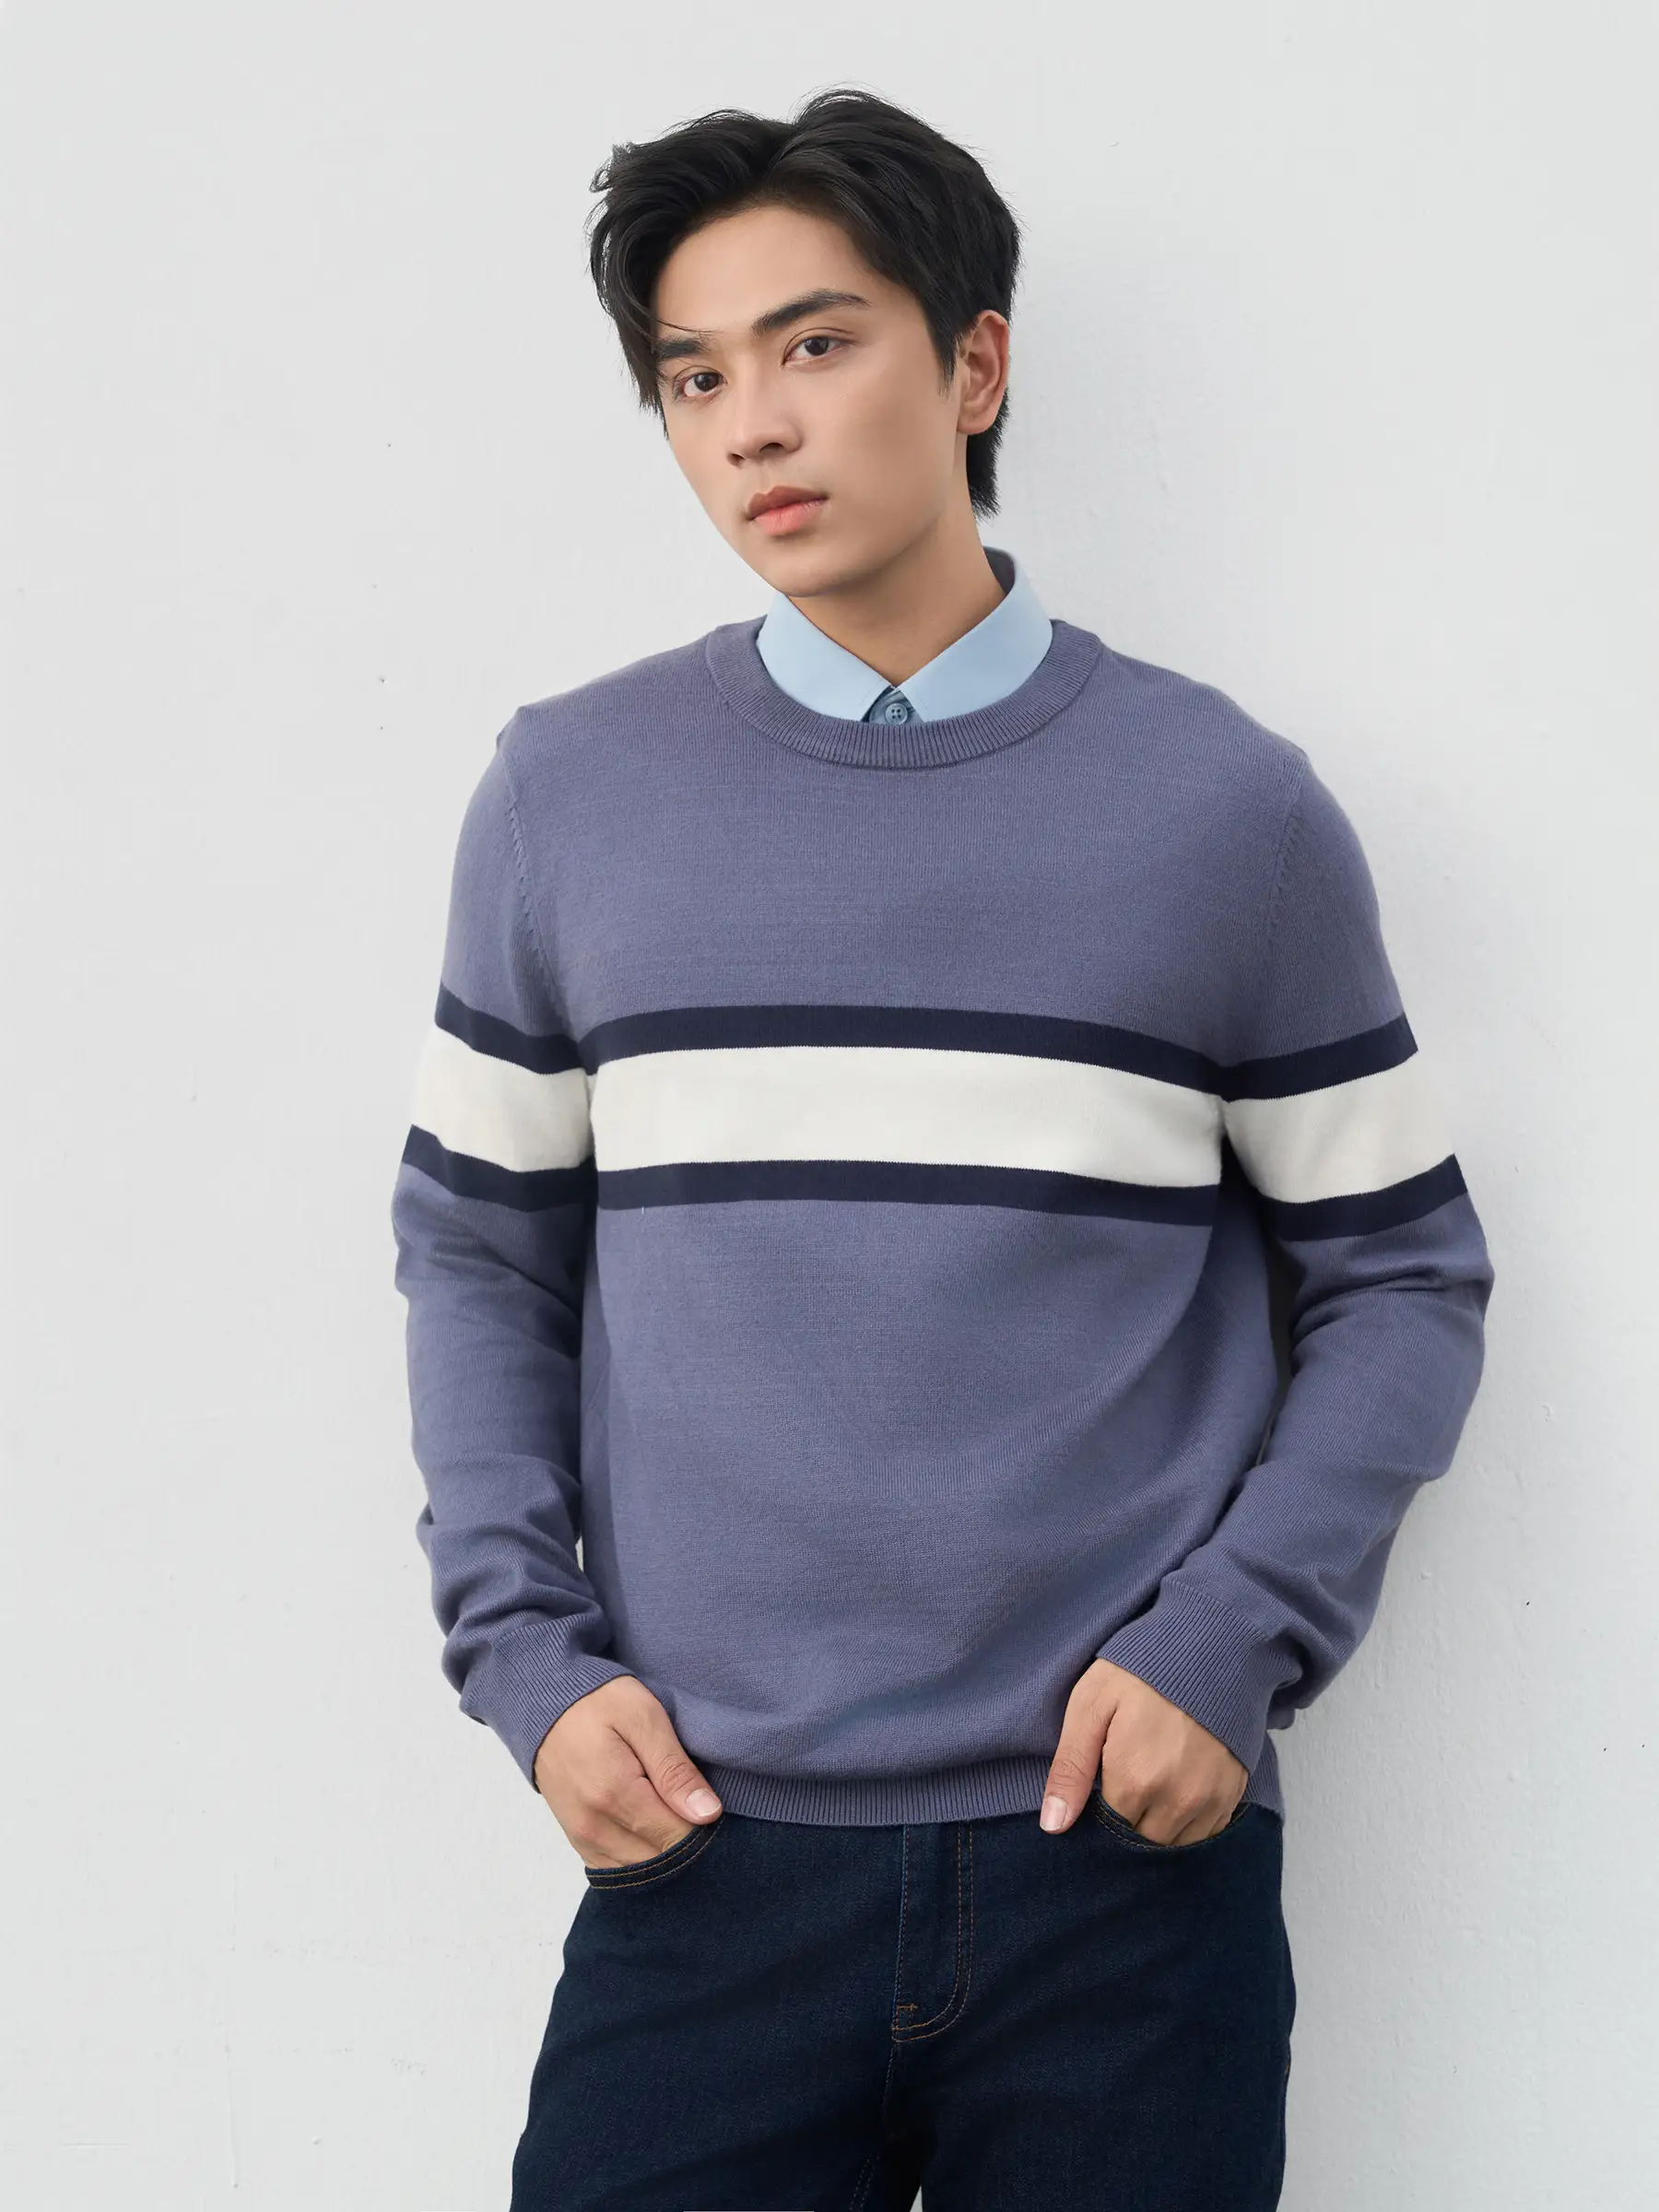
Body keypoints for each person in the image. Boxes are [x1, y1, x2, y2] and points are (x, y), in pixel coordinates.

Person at [389, 86, 1493, 2211]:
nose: (754, 426)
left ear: (975, 365)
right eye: (695, 378)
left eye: (816, 344)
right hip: (702, 1858)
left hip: (1122, 1875)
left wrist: (1229, 1643)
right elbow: (477, 1258)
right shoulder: (565, 801)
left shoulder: (1224, 811)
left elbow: (1405, 1274)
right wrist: (526, 1664)